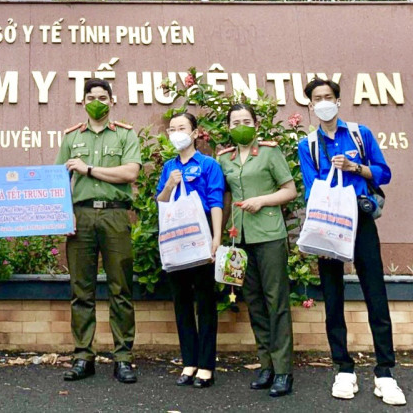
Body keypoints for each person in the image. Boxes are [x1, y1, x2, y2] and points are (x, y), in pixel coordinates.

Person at [298, 78, 405, 406]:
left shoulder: (360, 134)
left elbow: (384, 173)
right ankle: (343, 368)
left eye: (328, 96)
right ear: (311, 106)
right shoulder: (308, 144)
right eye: (317, 98)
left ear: (338, 101)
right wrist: (319, 224)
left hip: (360, 219)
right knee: (333, 296)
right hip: (328, 223)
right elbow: (309, 189)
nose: (323, 102)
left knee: (375, 293)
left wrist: (355, 167)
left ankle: (385, 371)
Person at [55, 78, 141, 384]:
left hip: (115, 215)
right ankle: (83, 357)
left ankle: (123, 358)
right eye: (91, 97)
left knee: (121, 288)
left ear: (112, 101)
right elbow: (58, 180)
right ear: (83, 102)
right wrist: (65, 215)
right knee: (81, 290)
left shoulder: (125, 134)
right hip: (81, 216)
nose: (97, 102)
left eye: (103, 97)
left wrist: (88, 169)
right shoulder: (71, 137)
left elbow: (130, 172)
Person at [217, 103, 297, 397]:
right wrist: (219, 234)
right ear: (228, 127)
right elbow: (225, 199)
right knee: (254, 301)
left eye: (246, 121)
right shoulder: (223, 158)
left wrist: (262, 200)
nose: (241, 126)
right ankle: (267, 366)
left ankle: (283, 370)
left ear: (256, 124)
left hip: (269, 235)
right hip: (239, 238)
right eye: (235, 122)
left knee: (276, 301)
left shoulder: (269, 152)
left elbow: (289, 190)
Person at [156, 112, 224, 389]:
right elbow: (161, 201)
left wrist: (216, 237)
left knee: (205, 301)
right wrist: (169, 184)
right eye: (172, 129)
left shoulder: (208, 164)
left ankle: (206, 365)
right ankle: (189, 362)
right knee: (181, 301)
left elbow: (216, 201)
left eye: (182, 128)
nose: (176, 133)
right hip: (175, 235)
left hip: (202, 233)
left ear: (195, 133)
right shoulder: (168, 166)